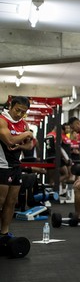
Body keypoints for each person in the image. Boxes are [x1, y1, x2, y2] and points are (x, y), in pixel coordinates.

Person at [0, 96, 33, 236]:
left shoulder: (23, 124)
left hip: (15, 166)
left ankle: (4, 233)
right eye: (17, 110)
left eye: (23, 112)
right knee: (0, 202)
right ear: (11, 106)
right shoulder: (2, 120)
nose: (19, 114)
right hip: (1, 165)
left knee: (12, 201)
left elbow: (29, 144)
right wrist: (26, 134)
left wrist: (20, 144)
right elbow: (9, 140)